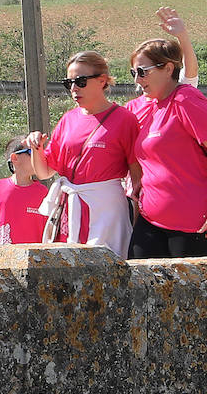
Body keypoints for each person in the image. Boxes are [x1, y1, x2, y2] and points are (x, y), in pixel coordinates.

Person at [127, 37, 207, 259]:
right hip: (151, 223)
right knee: (137, 286)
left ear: (168, 68)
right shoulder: (147, 107)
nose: (138, 80)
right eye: (134, 73)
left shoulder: (185, 99)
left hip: (197, 227)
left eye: (142, 71)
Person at [25, 51, 141, 256]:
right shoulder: (68, 119)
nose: (74, 88)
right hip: (70, 207)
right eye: (69, 83)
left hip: (106, 209)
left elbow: (137, 175)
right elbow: (44, 173)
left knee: (107, 268)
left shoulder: (125, 120)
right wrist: (37, 148)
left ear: (102, 80)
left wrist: (138, 216)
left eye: (80, 81)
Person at [0, 137, 50, 245]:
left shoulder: (43, 192)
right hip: (4, 257)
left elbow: (49, 230)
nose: (37, 157)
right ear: (14, 158)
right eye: (31, 152)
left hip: (35, 258)